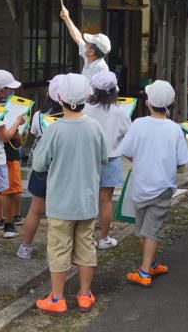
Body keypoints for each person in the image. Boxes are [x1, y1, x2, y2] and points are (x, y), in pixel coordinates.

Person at [31, 74, 108, 314]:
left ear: (60, 97)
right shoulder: (95, 127)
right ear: (88, 96)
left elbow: (38, 165)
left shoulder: (54, 130)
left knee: (58, 249)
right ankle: (85, 294)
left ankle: (57, 298)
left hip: (60, 202)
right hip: (86, 201)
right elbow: (104, 158)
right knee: (86, 246)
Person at [119, 80, 188, 288]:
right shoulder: (174, 129)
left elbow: (126, 151)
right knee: (149, 231)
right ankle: (149, 266)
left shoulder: (138, 124)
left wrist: (141, 161)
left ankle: (145, 270)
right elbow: (181, 162)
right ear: (171, 103)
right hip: (163, 187)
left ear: (148, 102)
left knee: (144, 230)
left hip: (141, 184)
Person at [17, 75, 66, 259]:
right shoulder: (72, 119)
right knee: (60, 213)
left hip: (42, 165)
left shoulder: (39, 115)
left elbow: (34, 133)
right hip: (63, 167)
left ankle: (25, 246)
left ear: (48, 95)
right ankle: (57, 250)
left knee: (36, 209)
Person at [83, 71, 132, 250]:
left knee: (87, 199)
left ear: (94, 89)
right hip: (110, 159)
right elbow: (129, 136)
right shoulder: (120, 112)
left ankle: (85, 239)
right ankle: (104, 238)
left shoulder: (85, 110)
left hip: (88, 160)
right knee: (106, 200)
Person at [0, 69, 26, 237]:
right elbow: (11, 137)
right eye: (9, 89)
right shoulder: (3, 110)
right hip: (7, 153)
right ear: (1, 90)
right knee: (9, 191)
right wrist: (18, 124)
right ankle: (8, 223)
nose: (12, 92)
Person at [60, 5, 110, 83]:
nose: (85, 44)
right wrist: (66, 18)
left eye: (88, 43)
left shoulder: (102, 70)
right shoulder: (90, 56)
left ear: (91, 52)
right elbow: (78, 37)